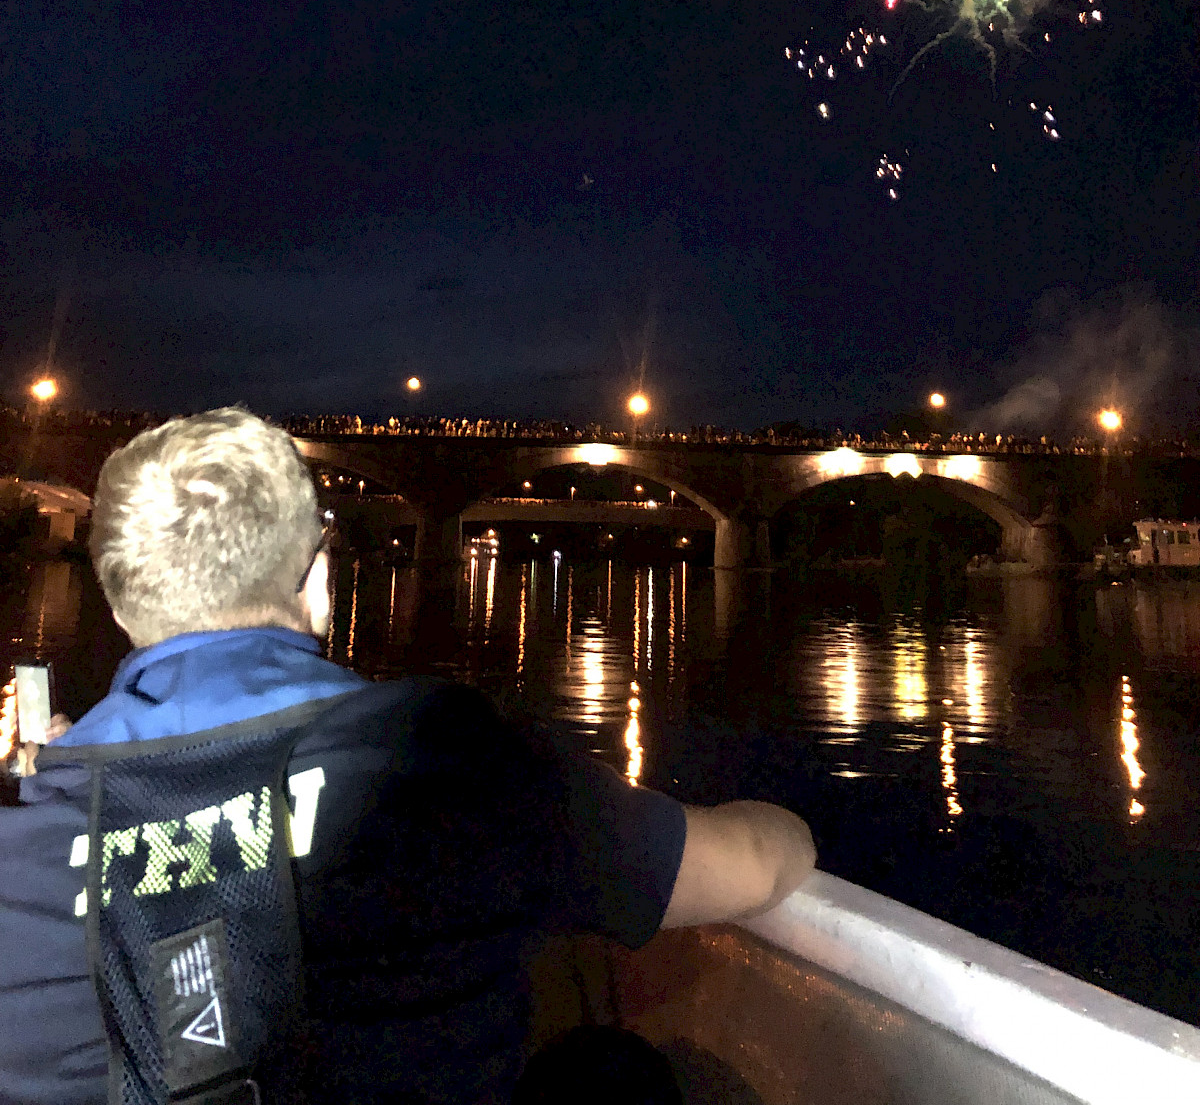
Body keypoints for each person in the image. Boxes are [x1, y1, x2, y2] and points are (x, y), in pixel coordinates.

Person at [0, 408, 816, 1104]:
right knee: (615, 1071)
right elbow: (756, 867)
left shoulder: (25, 827)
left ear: (117, 599)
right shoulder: (438, 755)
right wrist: (783, 823)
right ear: (319, 581)